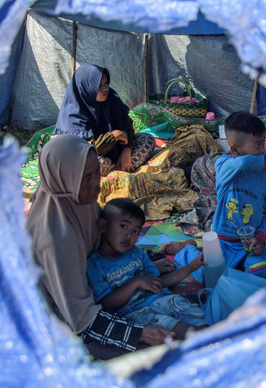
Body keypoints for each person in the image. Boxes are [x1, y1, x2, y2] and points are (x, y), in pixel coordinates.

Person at [26, 134, 173, 361]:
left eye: (97, 172)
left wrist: (151, 260)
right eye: (86, 178)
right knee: (162, 354)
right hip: (70, 320)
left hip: (102, 286)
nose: (97, 183)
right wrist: (140, 334)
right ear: (64, 178)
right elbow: (79, 316)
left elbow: (105, 245)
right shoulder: (55, 239)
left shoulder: (78, 202)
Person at [162, 111, 266, 281]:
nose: (263, 150)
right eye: (256, 145)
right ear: (234, 149)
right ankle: (187, 248)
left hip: (250, 242)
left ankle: (246, 261)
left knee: (261, 274)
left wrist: (261, 238)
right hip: (222, 242)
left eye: (263, 143)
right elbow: (244, 162)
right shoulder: (224, 165)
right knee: (205, 276)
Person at [86, 198, 208, 339]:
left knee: (183, 306)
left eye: (136, 231)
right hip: (134, 313)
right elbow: (106, 304)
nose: (129, 235)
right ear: (103, 226)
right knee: (168, 325)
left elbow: (159, 282)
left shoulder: (136, 253)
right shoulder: (94, 265)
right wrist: (136, 282)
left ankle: (209, 337)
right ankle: (204, 343)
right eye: (123, 226)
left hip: (162, 299)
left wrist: (192, 266)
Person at [54, 63, 155, 176]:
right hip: (89, 156)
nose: (105, 88)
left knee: (147, 139)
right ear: (85, 87)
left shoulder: (111, 98)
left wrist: (127, 149)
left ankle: (120, 166)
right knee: (91, 162)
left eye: (106, 83)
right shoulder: (73, 114)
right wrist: (113, 136)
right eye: (99, 85)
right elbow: (85, 150)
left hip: (115, 152)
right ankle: (120, 169)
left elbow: (127, 125)